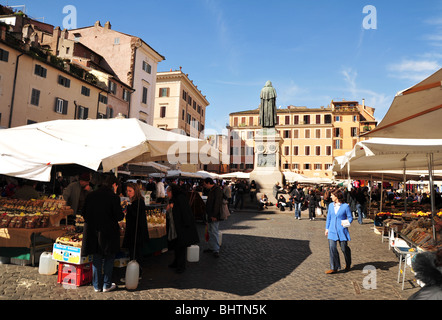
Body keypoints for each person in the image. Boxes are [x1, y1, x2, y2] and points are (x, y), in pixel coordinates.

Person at [81, 173, 124, 292]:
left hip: (94, 232)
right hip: (109, 233)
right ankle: (106, 284)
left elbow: (83, 212)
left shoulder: (91, 195)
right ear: (114, 185)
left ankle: (96, 286)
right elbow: (119, 216)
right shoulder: (114, 197)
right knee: (109, 258)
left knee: (96, 258)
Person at [166, 183, 200, 273]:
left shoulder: (180, 198)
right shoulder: (175, 198)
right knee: (177, 246)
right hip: (177, 227)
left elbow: (184, 212)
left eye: (168, 193)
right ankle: (176, 262)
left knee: (181, 248)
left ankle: (181, 266)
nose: (167, 195)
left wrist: (173, 207)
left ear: (171, 192)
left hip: (182, 227)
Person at [121, 182, 149, 281]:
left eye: (130, 191)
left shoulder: (138, 202)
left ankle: (135, 275)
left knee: (136, 255)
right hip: (135, 233)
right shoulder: (136, 201)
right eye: (127, 191)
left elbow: (135, 217)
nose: (128, 193)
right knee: (134, 254)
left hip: (136, 234)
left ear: (135, 191)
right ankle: (135, 274)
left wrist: (127, 207)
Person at [325, 189, 353, 274]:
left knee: (344, 248)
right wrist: (327, 229)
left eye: (332, 195)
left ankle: (348, 263)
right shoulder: (330, 205)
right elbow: (329, 218)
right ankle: (334, 267)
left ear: (337, 196)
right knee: (332, 248)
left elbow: (350, 218)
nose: (331, 196)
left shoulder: (345, 206)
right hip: (332, 230)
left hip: (342, 230)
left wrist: (345, 223)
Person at [202, 177, 223, 258]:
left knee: (214, 231)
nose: (204, 186)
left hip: (214, 215)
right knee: (210, 231)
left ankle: (216, 249)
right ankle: (212, 247)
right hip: (210, 214)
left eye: (204, 184)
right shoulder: (212, 190)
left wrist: (214, 215)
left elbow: (217, 203)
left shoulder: (217, 190)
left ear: (208, 183)